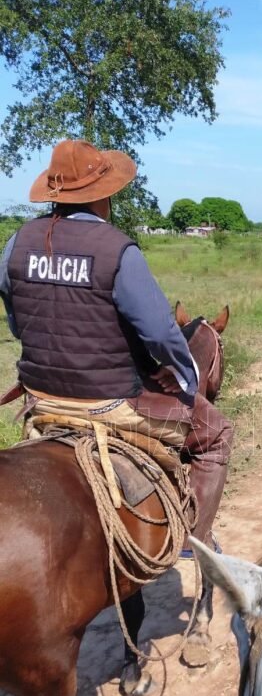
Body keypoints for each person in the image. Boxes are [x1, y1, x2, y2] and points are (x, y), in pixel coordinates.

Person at [0, 138, 232, 549]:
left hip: (41, 396)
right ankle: (193, 543)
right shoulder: (117, 249)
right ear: (102, 195)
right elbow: (160, 334)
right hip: (109, 402)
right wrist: (183, 373)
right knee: (217, 435)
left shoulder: (16, 243)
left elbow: (18, 324)